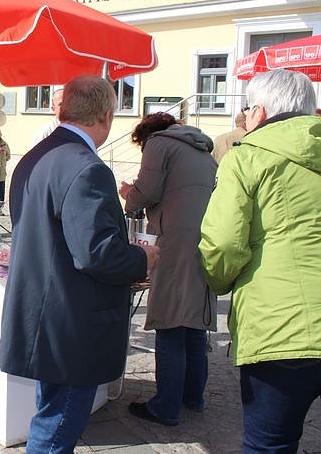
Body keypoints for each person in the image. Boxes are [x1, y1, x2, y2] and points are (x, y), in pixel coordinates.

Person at [0, 75, 160, 453]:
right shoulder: (87, 167)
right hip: (71, 325)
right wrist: (143, 257)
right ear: (106, 115)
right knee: (55, 432)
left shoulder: (35, 156)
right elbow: (96, 253)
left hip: (46, 317)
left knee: (51, 414)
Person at [199, 69, 321, 453]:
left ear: (260, 112)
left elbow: (222, 244)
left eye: (248, 107)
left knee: (270, 443)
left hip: (281, 327)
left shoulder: (247, 158)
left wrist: (219, 283)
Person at [119, 112, 218, 426]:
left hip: (174, 243)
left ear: (148, 134)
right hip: (203, 240)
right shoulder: (202, 149)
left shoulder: (160, 144)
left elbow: (147, 191)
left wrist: (128, 196)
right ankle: (193, 396)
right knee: (192, 325)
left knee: (170, 323)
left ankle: (165, 407)